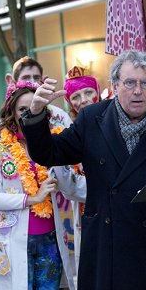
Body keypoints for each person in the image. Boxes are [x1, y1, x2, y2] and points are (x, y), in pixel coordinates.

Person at [20, 49, 146, 290]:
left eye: (145, 83)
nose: (138, 91)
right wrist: (36, 113)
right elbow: (48, 153)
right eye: (129, 83)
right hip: (107, 244)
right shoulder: (91, 118)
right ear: (115, 85)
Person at [0, 80, 76, 290]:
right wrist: (32, 198)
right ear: (11, 113)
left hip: (52, 238)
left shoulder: (53, 141)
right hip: (14, 239)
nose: (28, 113)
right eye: (22, 109)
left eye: (34, 107)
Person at [52, 65, 101, 278]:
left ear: (98, 93)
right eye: (76, 96)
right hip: (86, 213)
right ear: (70, 104)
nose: (84, 100)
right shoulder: (69, 134)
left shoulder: (116, 122)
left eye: (89, 92)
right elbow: (69, 185)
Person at [0, 56, 72, 138]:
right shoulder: (1, 120)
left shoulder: (59, 114)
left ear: (42, 80)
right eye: (26, 78)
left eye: (36, 77)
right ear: (13, 82)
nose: (32, 82)